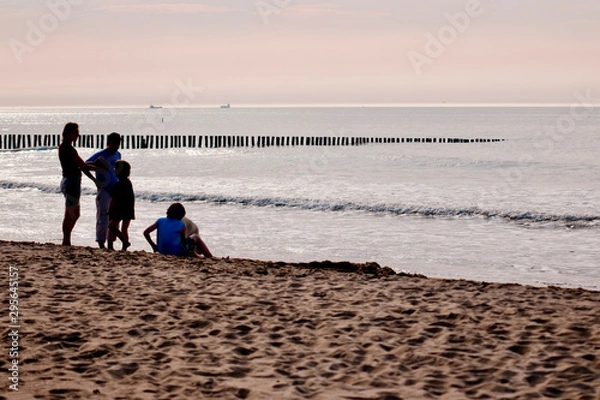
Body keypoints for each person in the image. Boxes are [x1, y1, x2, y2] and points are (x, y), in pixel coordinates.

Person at [58, 122, 99, 246]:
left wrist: (97, 167)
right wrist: (95, 178)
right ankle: (66, 240)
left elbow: (82, 165)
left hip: (68, 181)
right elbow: (83, 166)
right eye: (76, 132)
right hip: (72, 182)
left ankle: (67, 238)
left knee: (75, 214)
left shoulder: (63, 147)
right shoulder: (69, 149)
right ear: (69, 133)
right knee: (70, 213)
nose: (78, 135)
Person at [86, 132, 121, 248]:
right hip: (104, 188)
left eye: (118, 143)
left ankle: (111, 241)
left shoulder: (118, 155)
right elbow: (84, 165)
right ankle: (101, 241)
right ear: (109, 143)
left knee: (114, 216)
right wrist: (94, 180)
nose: (116, 146)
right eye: (114, 143)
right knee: (103, 214)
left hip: (115, 188)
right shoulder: (100, 155)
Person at [143, 203, 213, 258]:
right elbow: (183, 243)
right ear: (181, 215)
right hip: (176, 252)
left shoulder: (160, 221)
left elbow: (145, 232)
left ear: (167, 212)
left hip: (161, 251)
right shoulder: (181, 225)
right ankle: (209, 256)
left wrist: (153, 245)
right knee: (195, 237)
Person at [107, 161, 135, 251]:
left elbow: (114, 198)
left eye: (115, 169)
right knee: (124, 228)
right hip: (128, 207)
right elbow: (131, 197)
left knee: (112, 226)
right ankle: (124, 247)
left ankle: (124, 242)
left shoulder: (117, 184)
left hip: (119, 208)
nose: (114, 170)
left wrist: (110, 209)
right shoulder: (128, 183)